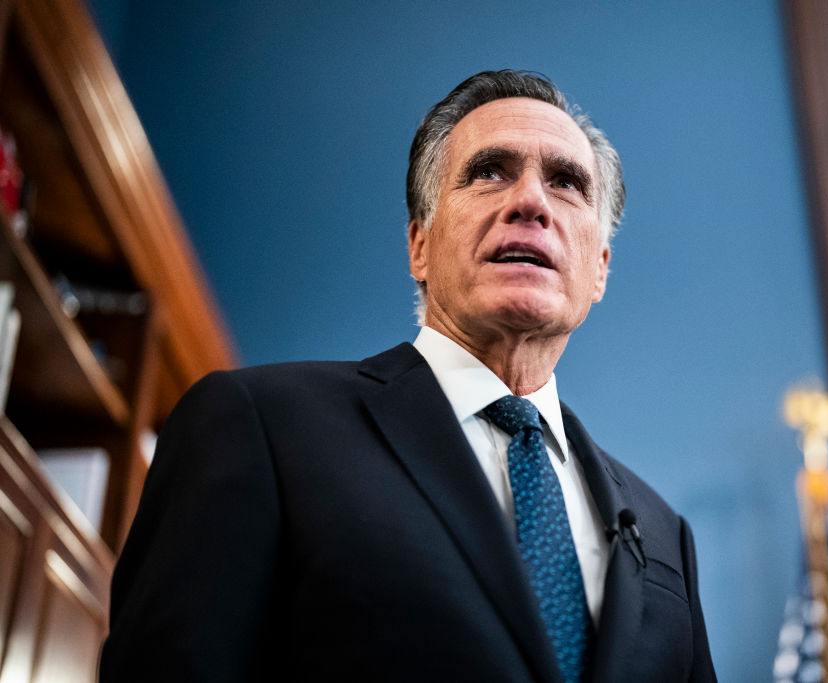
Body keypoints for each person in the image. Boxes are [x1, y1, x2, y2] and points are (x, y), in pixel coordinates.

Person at [100, 70, 716, 682]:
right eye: (489, 171)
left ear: (599, 268)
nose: (530, 201)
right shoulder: (259, 427)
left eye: (566, 182)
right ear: (419, 245)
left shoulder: (667, 536)